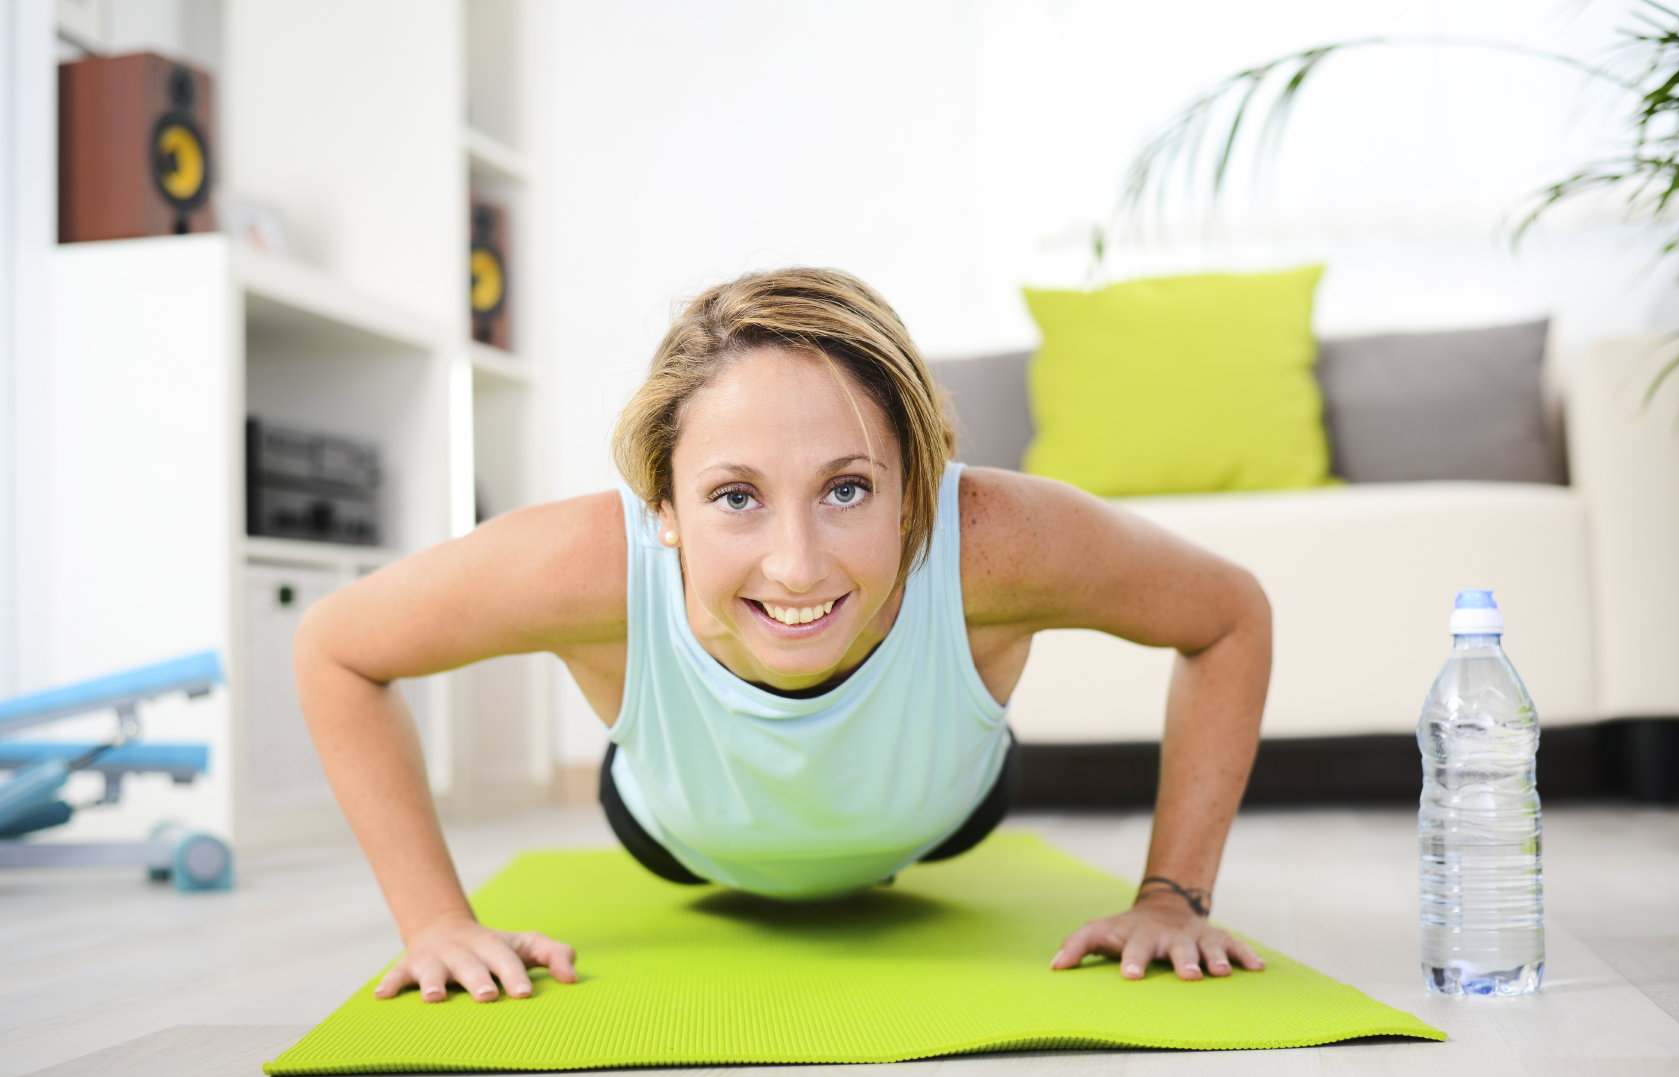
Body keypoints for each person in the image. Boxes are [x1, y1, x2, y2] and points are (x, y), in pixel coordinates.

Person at [294, 267, 1272, 1005]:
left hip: (937, 816)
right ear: (662, 505)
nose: (796, 565)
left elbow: (1228, 615)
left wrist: (1170, 899)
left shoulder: (997, 543)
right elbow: (335, 646)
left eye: (846, 488)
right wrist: (432, 923)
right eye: (734, 498)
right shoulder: (584, 562)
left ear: (915, 485)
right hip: (684, 839)